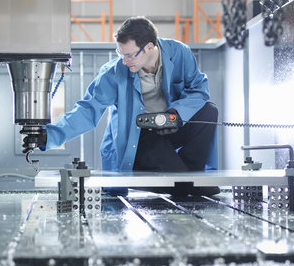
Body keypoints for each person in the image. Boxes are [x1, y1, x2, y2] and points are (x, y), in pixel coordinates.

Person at [43, 16, 219, 196]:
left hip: (169, 128)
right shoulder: (114, 73)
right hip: (140, 139)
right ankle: (189, 184)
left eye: (129, 55)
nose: (124, 61)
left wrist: (176, 115)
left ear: (150, 47)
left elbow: (199, 90)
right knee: (182, 181)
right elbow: (87, 109)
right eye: (121, 54)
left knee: (209, 112)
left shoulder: (180, 53)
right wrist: (49, 136)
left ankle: (190, 177)